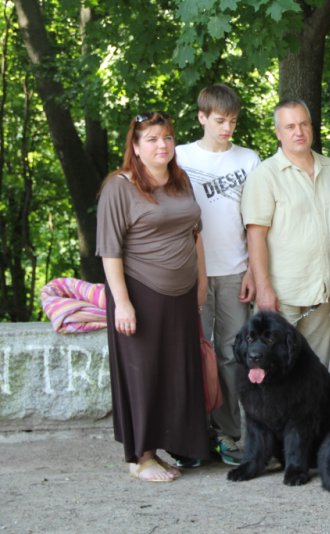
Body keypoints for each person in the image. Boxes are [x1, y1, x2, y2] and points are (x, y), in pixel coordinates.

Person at [96, 111, 208, 482]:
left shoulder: (181, 180)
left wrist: (202, 282)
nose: (163, 145)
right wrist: (123, 303)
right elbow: (110, 250)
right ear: (135, 146)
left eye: (168, 138)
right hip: (140, 292)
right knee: (143, 374)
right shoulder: (119, 186)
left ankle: (165, 449)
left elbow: (194, 233)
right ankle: (140, 458)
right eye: (153, 139)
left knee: (175, 373)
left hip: (182, 293)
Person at [175, 84, 261, 466]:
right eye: (220, 120)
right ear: (202, 117)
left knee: (230, 355)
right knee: (191, 353)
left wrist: (253, 271)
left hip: (234, 270)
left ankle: (229, 434)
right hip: (188, 272)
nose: (227, 128)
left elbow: (257, 221)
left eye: (233, 121)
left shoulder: (249, 159)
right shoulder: (179, 157)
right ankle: (192, 435)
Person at [241, 99, 330, 364]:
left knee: (317, 369)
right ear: (278, 133)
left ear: (311, 127)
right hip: (282, 294)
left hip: (323, 290)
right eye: (289, 127)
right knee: (274, 369)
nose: (298, 132)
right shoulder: (264, 175)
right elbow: (256, 236)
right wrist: (263, 289)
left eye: (303, 124)